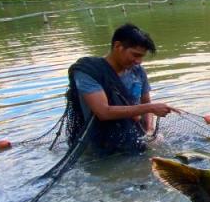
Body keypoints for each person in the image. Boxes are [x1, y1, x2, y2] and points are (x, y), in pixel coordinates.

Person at [66, 23, 178, 154]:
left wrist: (149, 131)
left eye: (142, 56)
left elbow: (145, 101)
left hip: (134, 137)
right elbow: (103, 112)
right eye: (135, 55)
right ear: (117, 46)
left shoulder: (138, 72)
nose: (139, 61)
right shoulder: (89, 72)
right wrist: (152, 108)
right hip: (101, 144)